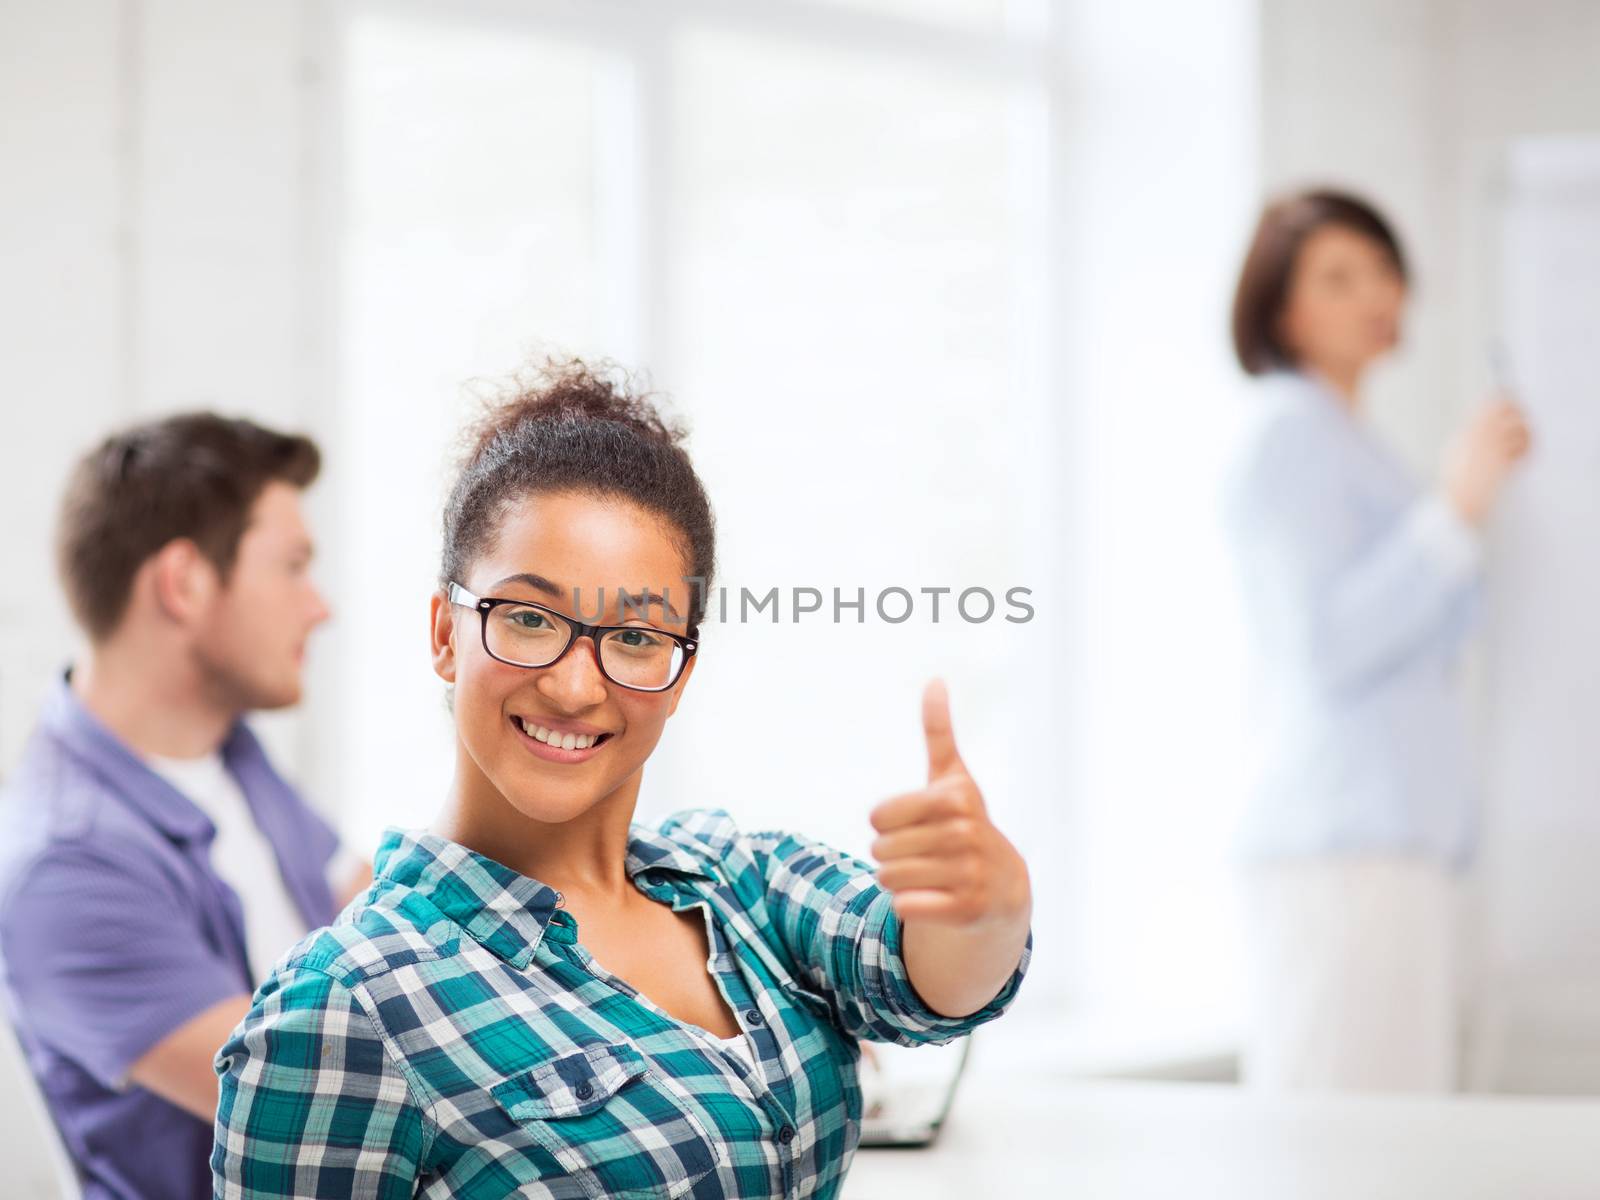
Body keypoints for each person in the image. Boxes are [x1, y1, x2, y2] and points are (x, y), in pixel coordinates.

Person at [211, 361, 1034, 1198]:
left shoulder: (744, 886)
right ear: (445, 633)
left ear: (681, 671)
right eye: (528, 619)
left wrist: (985, 912)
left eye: (637, 637)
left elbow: (924, 977)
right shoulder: (348, 1007)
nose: (575, 686)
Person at [0, 414, 372, 1199]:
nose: (319, 607)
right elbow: (315, 1110)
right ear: (185, 583)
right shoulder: (64, 868)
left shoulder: (225, 746)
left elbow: (368, 901)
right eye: (293, 567)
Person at [1223, 189, 1531, 1092]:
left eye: (1385, 269)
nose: (1377, 295)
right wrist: (1456, 508)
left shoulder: (1349, 439)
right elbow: (1326, 644)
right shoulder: (1287, 431)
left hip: (1387, 839)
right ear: (1281, 306)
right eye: (1339, 277)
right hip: (1341, 842)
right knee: (1340, 1139)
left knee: (1385, 1137)